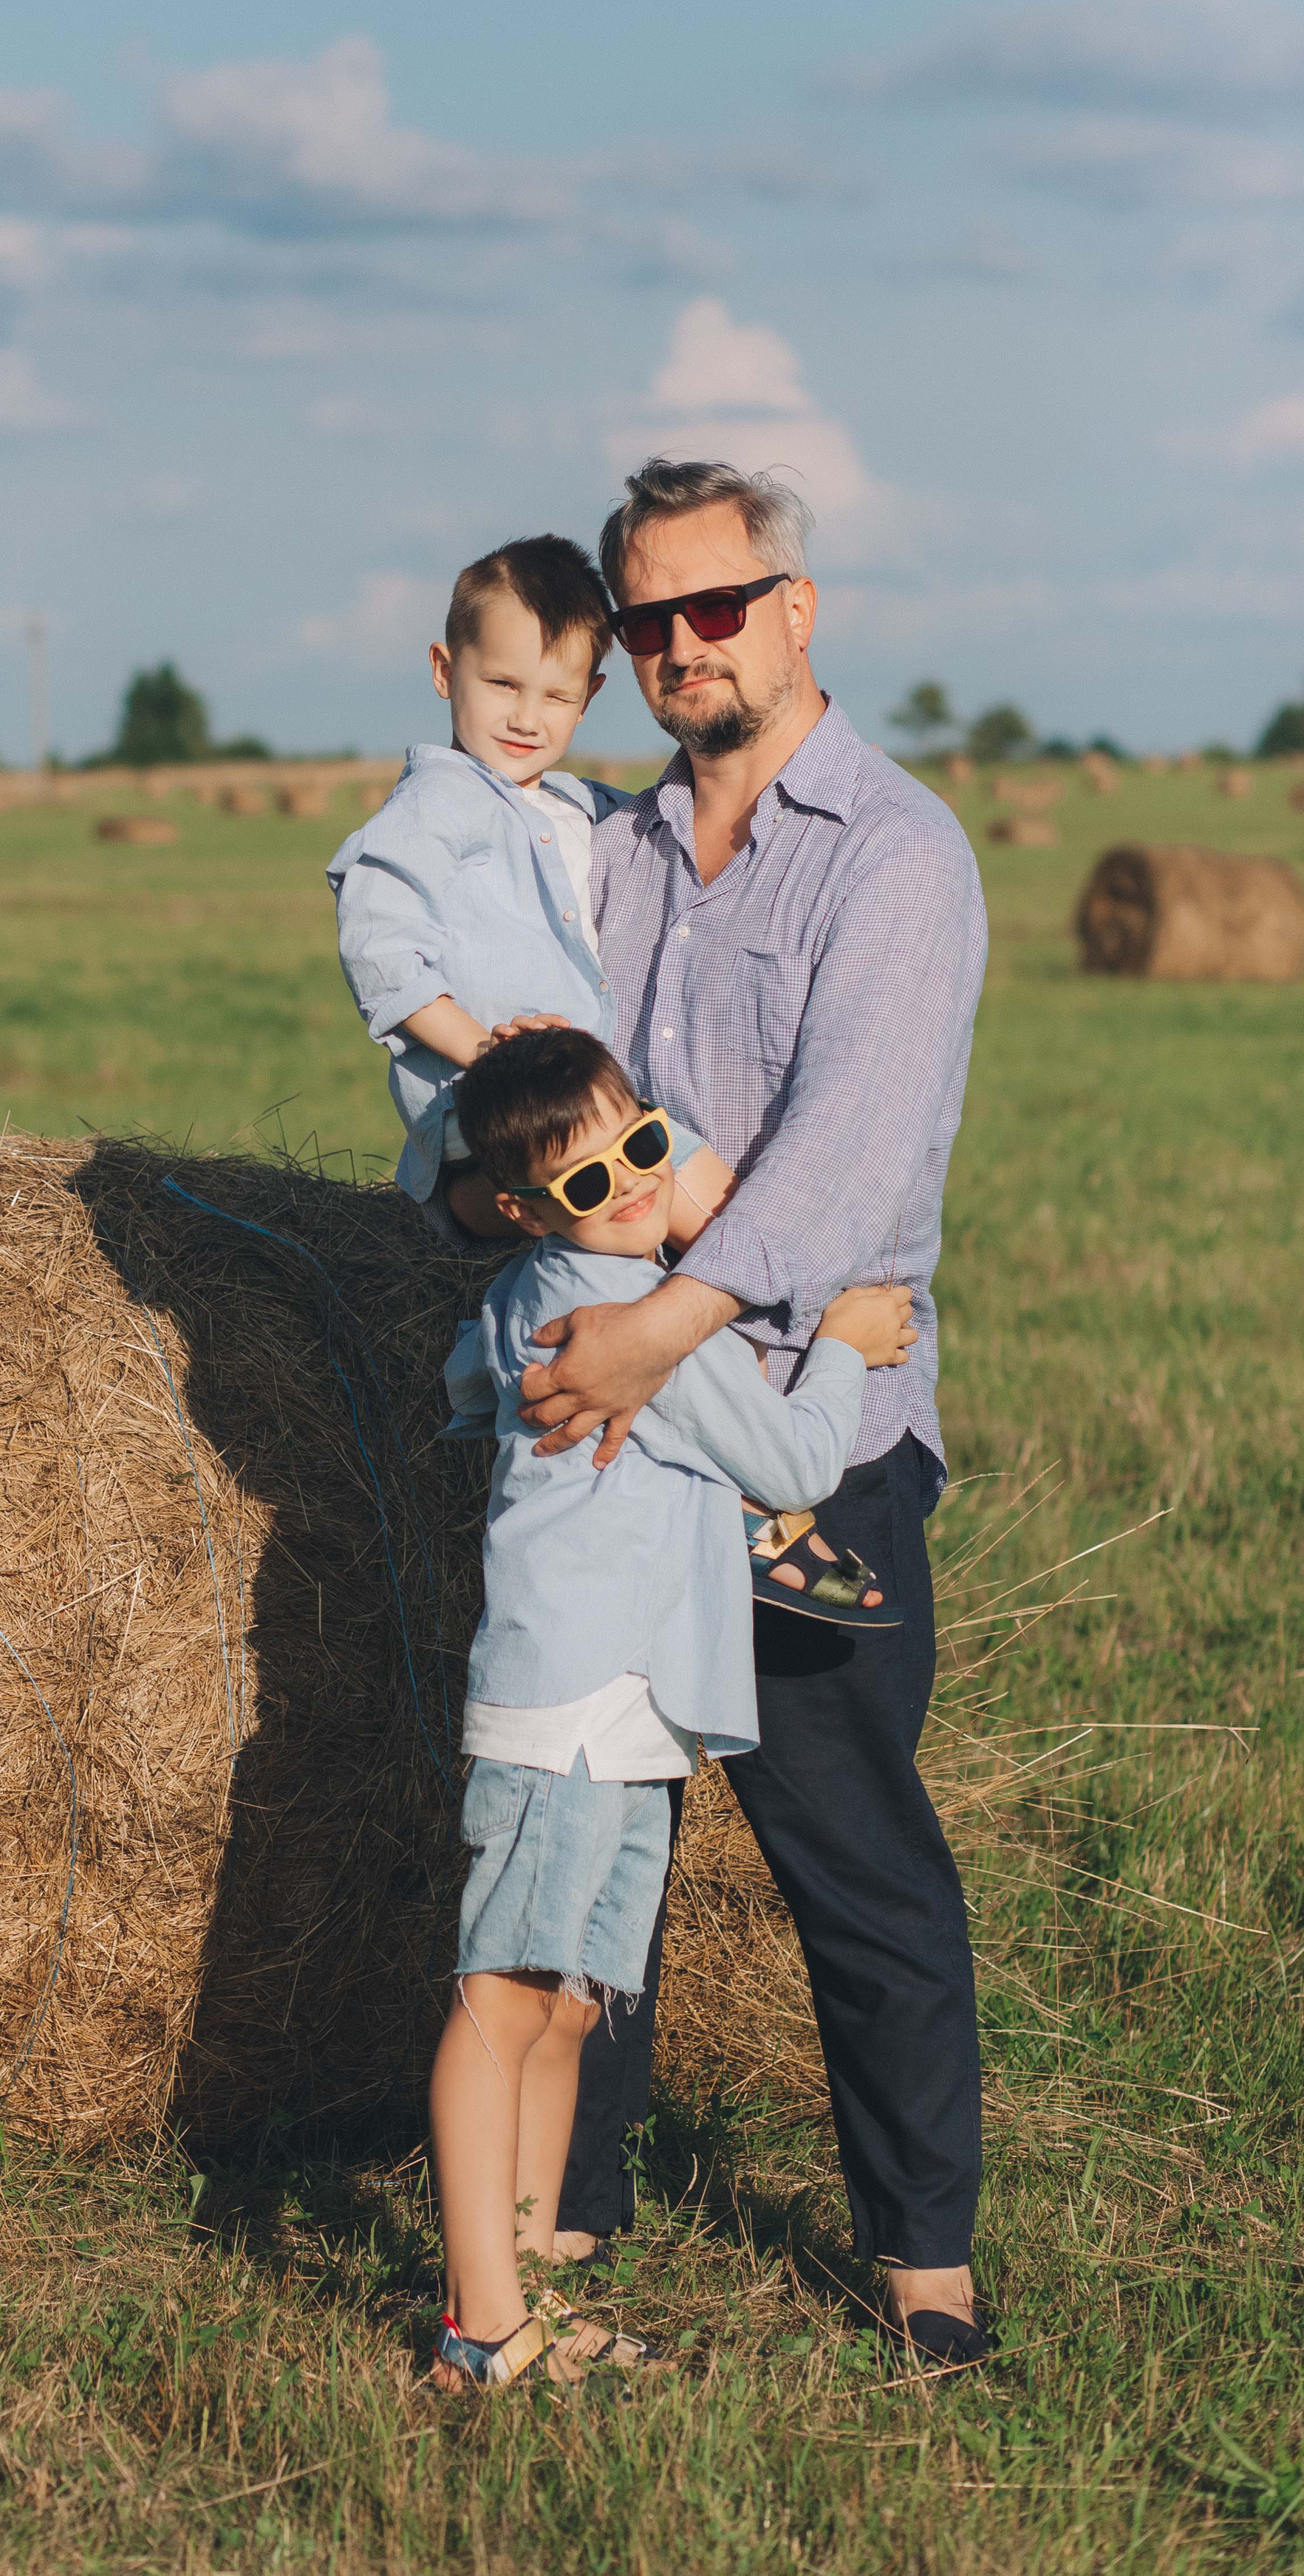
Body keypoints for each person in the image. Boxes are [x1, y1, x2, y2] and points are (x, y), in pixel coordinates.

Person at [526, 459, 991, 2368]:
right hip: (617, 1455)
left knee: (853, 1858)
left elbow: (844, 1169)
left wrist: (661, 1335)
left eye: (716, 607)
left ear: (798, 609)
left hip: (813, 1438)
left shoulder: (893, 852)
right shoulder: (611, 855)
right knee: (590, 1837)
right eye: (645, 619)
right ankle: (564, 2206)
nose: (679, 648)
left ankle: (924, 2265)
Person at [426, 1025, 918, 2391]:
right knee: (503, 1997)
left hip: (632, 1694)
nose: (634, 1186)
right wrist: (842, 1341)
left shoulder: (557, 1290)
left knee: (572, 2004)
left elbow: (471, 1381)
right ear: (530, 1210)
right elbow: (799, 1459)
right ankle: (480, 2327)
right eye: (590, 1182)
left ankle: (520, 2292)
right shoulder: (640, 1323)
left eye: (644, 1146)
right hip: (578, 1692)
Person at [325, 532, 736, 1245]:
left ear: (589, 699)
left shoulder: (581, 808)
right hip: (492, 1115)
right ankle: (818, 1319)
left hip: (583, 1105)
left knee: (694, 1193)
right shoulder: (433, 808)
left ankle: (790, 1313)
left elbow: (676, 824)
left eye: (556, 695)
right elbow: (381, 953)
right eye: (503, 684)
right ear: (444, 670)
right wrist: (491, 1057)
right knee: (697, 1199)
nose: (526, 717)